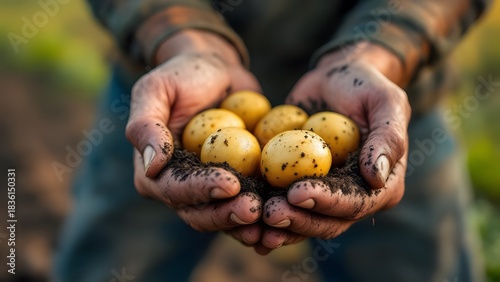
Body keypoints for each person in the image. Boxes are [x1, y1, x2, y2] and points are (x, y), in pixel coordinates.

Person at [54, 0, 491, 281]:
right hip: (175, 94)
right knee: (108, 268)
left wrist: (379, 51)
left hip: (374, 103)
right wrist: (182, 37)